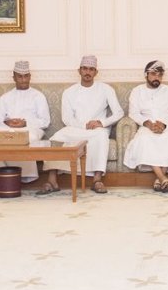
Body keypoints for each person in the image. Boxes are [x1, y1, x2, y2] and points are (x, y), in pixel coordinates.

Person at [42, 55, 124, 195]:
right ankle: (52, 181)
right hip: (76, 128)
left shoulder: (106, 89)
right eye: (85, 69)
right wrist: (83, 126)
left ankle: (97, 180)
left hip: (97, 130)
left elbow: (119, 112)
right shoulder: (69, 92)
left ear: (96, 72)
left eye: (91, 69)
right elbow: (67, 118)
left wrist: (101, 123)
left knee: (101, 137)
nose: (87, 72)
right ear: (79, 70)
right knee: (56, 138)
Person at [0, 61, 51, 187]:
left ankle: (22, 175)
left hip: (31, 128)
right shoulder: (5, 97)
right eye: (20, 76)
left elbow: (45, 121)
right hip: (7, 128)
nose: (23, 80)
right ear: (14, 77)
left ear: (30, 77)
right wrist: (7, 122)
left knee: (27, 138)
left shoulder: (38, 96)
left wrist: (25, 123)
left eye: (26, 76)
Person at [122, 61, 168, 192]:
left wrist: (164, 124)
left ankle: (160, 178)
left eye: (160, 75)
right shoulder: (137, 91)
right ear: (146, 75)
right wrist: (148, 124)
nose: (157, 78)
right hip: (147, 125)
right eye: (154, 74)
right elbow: (133, 113)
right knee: (145, 139)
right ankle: (162, 178)